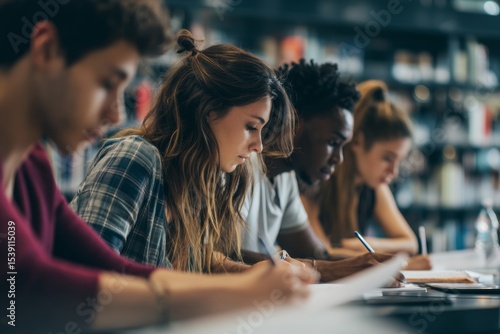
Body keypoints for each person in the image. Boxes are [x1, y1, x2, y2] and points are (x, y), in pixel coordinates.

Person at [0, 1, 315, 332]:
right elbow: (22, 292)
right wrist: (235, 296)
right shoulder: (129, 157)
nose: (115, 116)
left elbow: (108, 267)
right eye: (107, 82)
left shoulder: (30, 167)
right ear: (47, 49)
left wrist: (246, 288)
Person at [240, 60, 406, 283]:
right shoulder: (240, 165)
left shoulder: (284, 180)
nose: (339, 158)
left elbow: (317, 253)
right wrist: (332, 269)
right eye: (332, 142)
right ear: (294, 122)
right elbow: (226, 259)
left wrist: (366, 264)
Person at [303, 80, 427, 265]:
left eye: (399, 161)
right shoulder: (316, 180)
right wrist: (399, 262)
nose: (393, 172)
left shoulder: (375, 186)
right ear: (358, 142)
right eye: (387, 158)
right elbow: (320, 252)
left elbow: (410, 243)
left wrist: (368, 245)